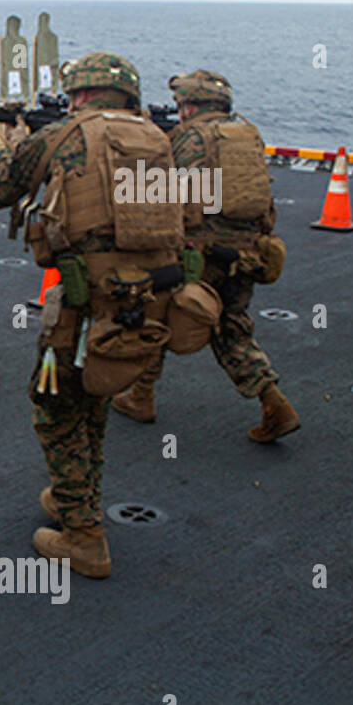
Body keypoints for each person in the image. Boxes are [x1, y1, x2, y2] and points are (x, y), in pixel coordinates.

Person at [0, 52, 186, 579]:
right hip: (146, 300)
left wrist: (23, 140)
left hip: (82, 301)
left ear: (76, 95)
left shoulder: (62, 136)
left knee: (55, 407)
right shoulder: (157, 140)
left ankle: (83, 536)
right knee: (95, 392)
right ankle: (78, 497)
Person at [111, 70, 299, 443]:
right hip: (246, 253)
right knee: (231, 327)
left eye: (182, 106)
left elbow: (159, 196)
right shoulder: (247, 134)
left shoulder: (189, 138)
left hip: (201, 254)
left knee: (156, 316)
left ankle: (141, 396)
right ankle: (274, 402)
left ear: (190, 105)